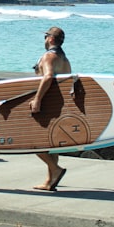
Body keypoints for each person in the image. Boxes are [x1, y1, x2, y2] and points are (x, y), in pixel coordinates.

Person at [28, 26, 71, 191]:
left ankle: (55, 170)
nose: (44, 39)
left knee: (33, 141)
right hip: (60, 105)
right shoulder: (64, 59)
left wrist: (37, 99)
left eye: (45, 36)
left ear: (51, 39)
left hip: (47, 104)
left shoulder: (49, 56)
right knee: (52, 143)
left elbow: (48, 76)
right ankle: (50, 179)